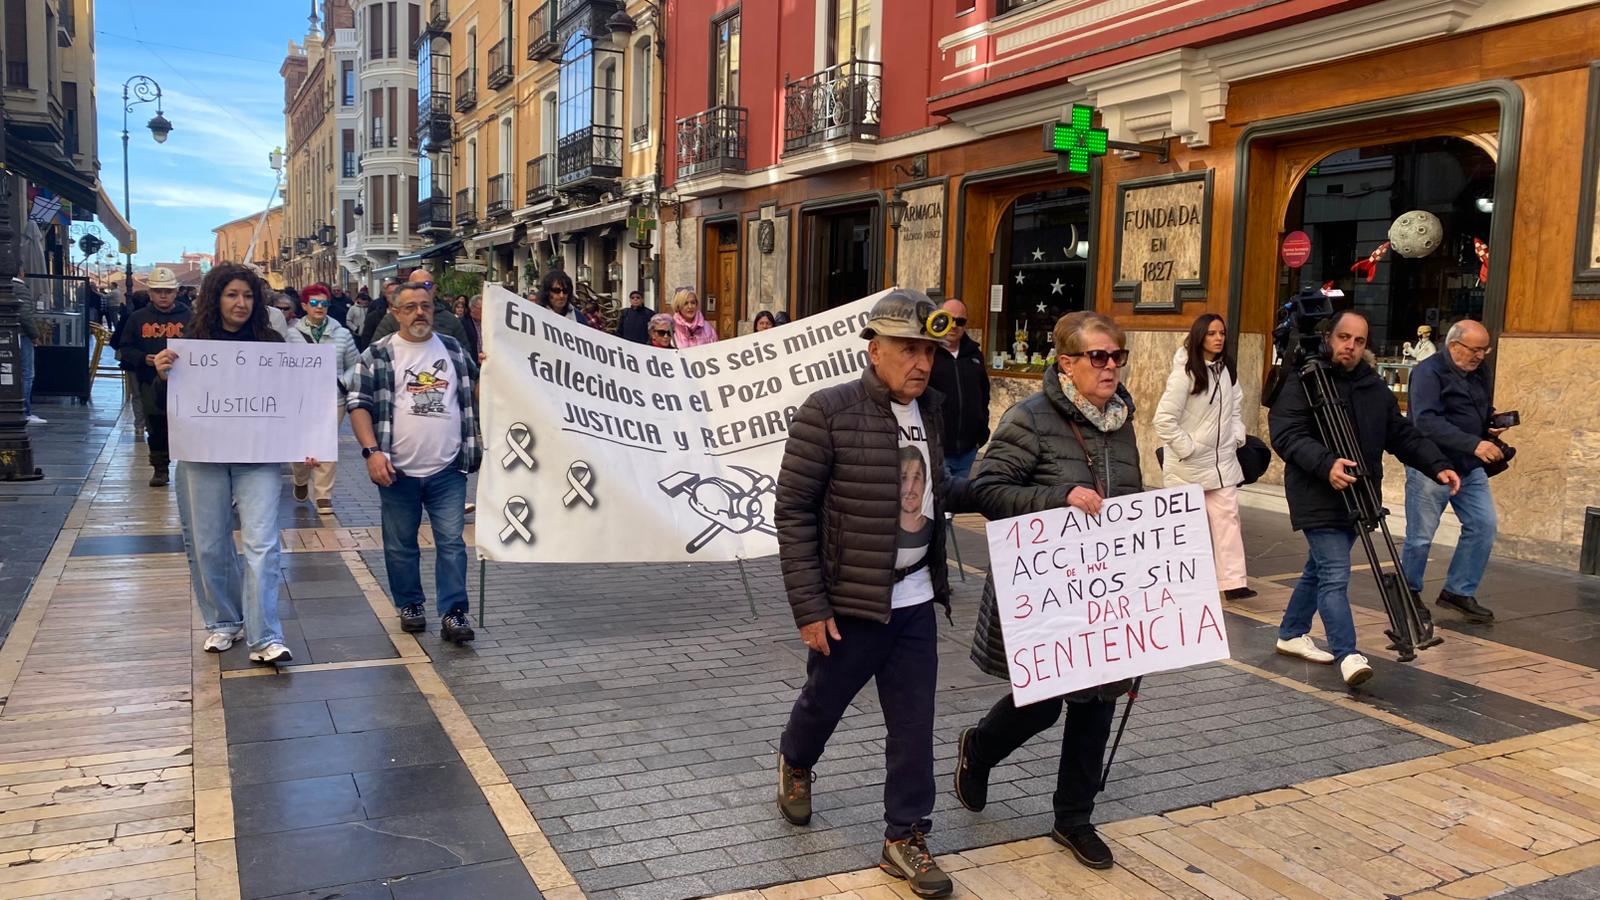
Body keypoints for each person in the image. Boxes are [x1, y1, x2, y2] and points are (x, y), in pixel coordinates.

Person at [776, 290, 969, 899]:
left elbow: (944, 494)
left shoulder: (931, 412)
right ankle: (796, 759)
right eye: (908, 350)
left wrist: (1035, 496)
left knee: (913, 725)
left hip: (914, 604)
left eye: (929, 351)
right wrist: (811, 607)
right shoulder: (828, 411)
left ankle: (903, 837)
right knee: (822, 703)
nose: (921, 363)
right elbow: (794, 511)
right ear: (874, 349)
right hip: (850, 606)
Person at [954, 311, 1138, 872]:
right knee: (1042, 705)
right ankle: (979, 749)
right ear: (1066, 363)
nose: (1110, 367)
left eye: (1117, 356)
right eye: (1098, 357)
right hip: (1047, 588)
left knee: (1100, 698)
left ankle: (1074, 818)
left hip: (1104, 589)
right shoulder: (1029, 417)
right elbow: (984, 490)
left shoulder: (1123, 418)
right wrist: (1061, 496)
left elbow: (1126, 493)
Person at [1270, 309, 1460, 686]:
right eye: (1344, 338)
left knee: (1320, 569)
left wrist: (1437, 464)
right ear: (1328, 338)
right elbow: (1287, 434)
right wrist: (1326, 465)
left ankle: (1291, 632)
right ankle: (1348, 654)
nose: (1351, 347)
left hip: (1359, 496)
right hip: (1317, 494)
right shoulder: (1304, 380)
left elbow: (1401, 434)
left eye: (1359, 341)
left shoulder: (1372, 385)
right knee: (1335, 573)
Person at [152, 263, 294, 664]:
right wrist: (163, 376)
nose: (241, 303)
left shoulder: (272, 344)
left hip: (258, 457)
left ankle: (265, 634)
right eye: (232, 294)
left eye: (248, 296)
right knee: (209, 544)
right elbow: (166, 409)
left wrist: (307, 436)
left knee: (262, 544)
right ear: (215, 298)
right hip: (202, 456)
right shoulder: (188, 345)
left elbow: (291, 401)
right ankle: (223, 622)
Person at [347, 278, 482, 644]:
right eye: (410, 307)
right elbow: (357, 404)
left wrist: (494, 369)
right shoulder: (377, 354)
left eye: (425, 305)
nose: (419, 313)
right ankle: (410, 604)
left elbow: (478, 390)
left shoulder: (453, 350)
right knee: (399, 543)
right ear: (395, 312)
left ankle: (454, 613)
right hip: (397, 469)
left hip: (448, 468)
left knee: (452, 543)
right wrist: (372, 452)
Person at [1402, 319, 1504, 624]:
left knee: (1484, 524)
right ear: (1454, 346)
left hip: (1468, 464)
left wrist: (1492, 419)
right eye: (1475, 350)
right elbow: (1426, 422)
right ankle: (1408, 593)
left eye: (1485, 350)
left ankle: (1458, 591)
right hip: (1430, 464)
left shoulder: (1479, 370)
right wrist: (1475, 444)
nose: (1480, 356)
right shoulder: (1427, 372)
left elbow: (1479, 407)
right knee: (1420, 535)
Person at [1153, 313, 1254, 601]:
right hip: (1189, 465)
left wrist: (1237, 434)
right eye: (1211, 333)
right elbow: (1163, 419)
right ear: (1200, 336)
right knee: (1184, 525)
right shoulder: (1185, 373)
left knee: (1228, 519)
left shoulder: (1226, 369)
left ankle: (1234, 582)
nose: (1218, 338)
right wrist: (1189, 449)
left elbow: (1235, 405)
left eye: (1221, 332)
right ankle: (1180, 580)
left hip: (1222, 462)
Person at [287, 284, 360, 515]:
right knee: (300, 445)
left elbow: (355, 364)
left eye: (324, 303)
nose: (320, 308)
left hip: (332, 398)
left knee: (326, 444)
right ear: (305, 306)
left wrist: (342, 383)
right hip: (300, 399)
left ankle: (323, 494)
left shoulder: (342, 334)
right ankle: (300, 477)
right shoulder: (290, 335)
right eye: (315, 303)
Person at [116, 268, 190, 486]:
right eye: (158, 291)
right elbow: (124, 349)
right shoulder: (137, 319)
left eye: (167, 291)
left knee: (188, 424)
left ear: (176, 291)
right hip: (150, 380)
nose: (163, 295)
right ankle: (160, 468)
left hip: (186, 381)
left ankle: (191, 466)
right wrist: (143, 359)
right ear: (150, 293)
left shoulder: (190, 317)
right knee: (156, 424)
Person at [926, 298, 988, 478]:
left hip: (967, 451)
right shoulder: (928, 353)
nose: (954, 325)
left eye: (960, 321)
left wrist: (981, 432)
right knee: (940, 500)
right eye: (948, 319)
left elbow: (984, 394)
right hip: (938, 449)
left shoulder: (975, 355)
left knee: (958, 501)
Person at [370, 268, 470, 347]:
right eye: (416, 285)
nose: (421, 289)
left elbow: (465, 360)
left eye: (427, 285)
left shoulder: (450, 320)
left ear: (434, 288)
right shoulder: (392, 319)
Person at [12, 277, 43, 425]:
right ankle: (24, 411)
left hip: (10, 335)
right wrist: (34, 335)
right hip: (21, 335)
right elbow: (25, 315)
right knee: (27, 372)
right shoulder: (20, 287)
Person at [462, 294, 484, 361]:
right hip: (473, 362)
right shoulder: (463, 323)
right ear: (472, 308)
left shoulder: (487, 322)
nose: (484, 311)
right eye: (481, 308)